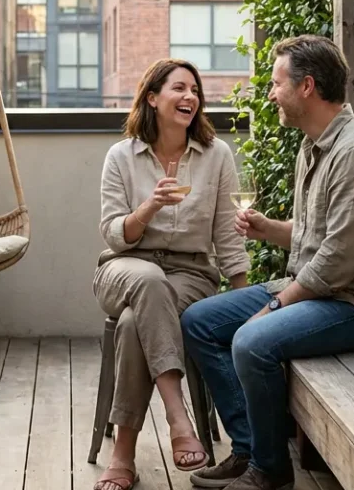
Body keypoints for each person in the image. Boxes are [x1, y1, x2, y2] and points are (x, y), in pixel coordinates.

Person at [180, 35, 354, 490]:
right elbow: (314, 237)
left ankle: (270, 470)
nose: (270, 93)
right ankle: (248, 450)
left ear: (306, 87)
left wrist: (279, 304)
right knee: (199, 321)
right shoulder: (315, 143)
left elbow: (338, 263)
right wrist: (269, 228)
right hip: (321, 290)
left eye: (276, 82)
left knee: (252, 342)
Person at [92, 58, 251, 490]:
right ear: (152, 98)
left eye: (195, 90)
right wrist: (150, 207)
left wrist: (246, 300)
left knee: (132, 324)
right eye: (179, 88)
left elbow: (225, 234)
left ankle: (122, 456)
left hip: (190, 274)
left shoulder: (216, 156)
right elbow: (112, 233)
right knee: (146, 281)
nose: (190, 97)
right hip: (124, 268)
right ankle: (178, 416)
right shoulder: (121, 156)